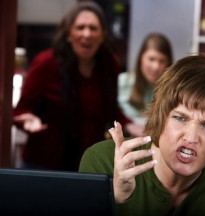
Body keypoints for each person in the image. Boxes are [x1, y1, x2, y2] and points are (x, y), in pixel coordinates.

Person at [79, 54, 205, 216]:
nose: (190, 137)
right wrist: (119, 200)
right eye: (180, 118)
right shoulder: (103, 161)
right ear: (160, 116)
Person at [13, 1, 130, 171]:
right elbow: (20, 111)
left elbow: (109, 109)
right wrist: (28, 120)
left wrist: (128, 122)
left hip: (88, 163)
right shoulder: (46, 63)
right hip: (43, 165)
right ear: (68, 34)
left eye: (93, 28)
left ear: (103, 35)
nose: (87, 34)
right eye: (80, 27)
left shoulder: (109, 64)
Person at [118, 33, 173, 137]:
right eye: (151, 59)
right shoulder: (122, 82)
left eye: (162, 61)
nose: (156, 66)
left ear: (168, 64)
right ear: (141, 58)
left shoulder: (171, 91)